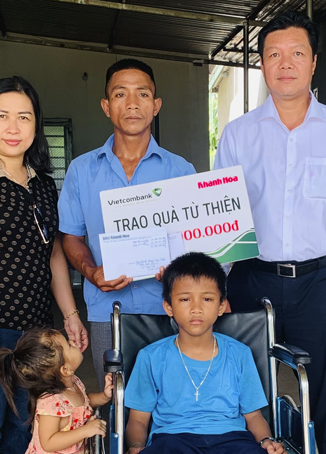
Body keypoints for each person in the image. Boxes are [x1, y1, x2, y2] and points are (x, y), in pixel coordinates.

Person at [213, 12, 326, 454]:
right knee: (245, 391)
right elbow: (221, 217)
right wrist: (216, 286)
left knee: (323, 395)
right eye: (274, 55)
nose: (285, 64)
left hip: (322, 283)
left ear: (314, 62)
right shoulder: (237, 134)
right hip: (250, 278)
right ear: (262, 64)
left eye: (297, 54)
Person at [0, 76, 88, 453]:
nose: (12, 127)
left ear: (35, 125)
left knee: (26, 425)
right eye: (2, 116)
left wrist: (69, 315)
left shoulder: (41, 183)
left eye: (23, 117)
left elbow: (53, 252)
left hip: (36, 332)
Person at [58, 58, 195, 387]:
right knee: (114, 402)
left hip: (169, 309)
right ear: (106, 106)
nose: (132, 104)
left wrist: (180, 268)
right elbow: (71, 237)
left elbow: (195, 240)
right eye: (121, 94)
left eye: (143, 94)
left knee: (169, 405)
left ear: (156, 105)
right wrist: (91, 273)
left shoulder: (181, 171)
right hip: (108, 311)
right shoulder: (81, 171)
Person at [124, 252, 284, 454]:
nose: (196, 308)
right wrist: (136, 446)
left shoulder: (239, 354)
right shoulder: (150, 357)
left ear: (221, 306)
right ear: (168, 306)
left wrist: (266, 441)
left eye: (207, 298)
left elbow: (253, 416)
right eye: (185, 299)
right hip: (173, 439)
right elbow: (138, 419)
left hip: (232, 439)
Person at [0, 328, 113, 454]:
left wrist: (104, 396)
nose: (73, 343)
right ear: (65, 370)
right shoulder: (51, 403)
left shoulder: (73, 382)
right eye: (68, 345)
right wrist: (85, 431)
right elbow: (48, 442)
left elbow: (85, 402)